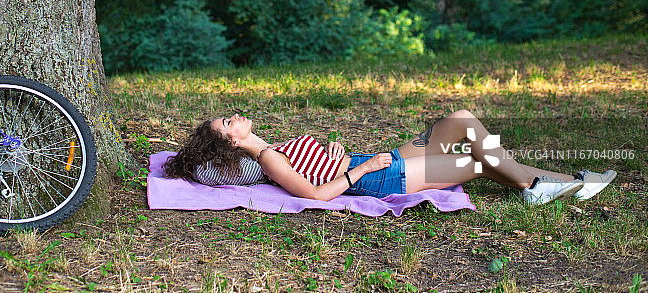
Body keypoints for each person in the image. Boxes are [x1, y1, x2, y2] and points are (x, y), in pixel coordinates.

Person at [163, 110, 617, 205]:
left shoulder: (273, 147)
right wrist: (359, 168)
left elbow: (317, 164)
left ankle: (561, 181)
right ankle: (535, 186)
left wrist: (333, 152)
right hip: (380, 176)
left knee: (462, 122)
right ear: (230, 143)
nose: (233, 117)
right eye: (226, 124)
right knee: (480, 158)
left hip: (372, 159)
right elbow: (317, 194)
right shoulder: (266, 160)